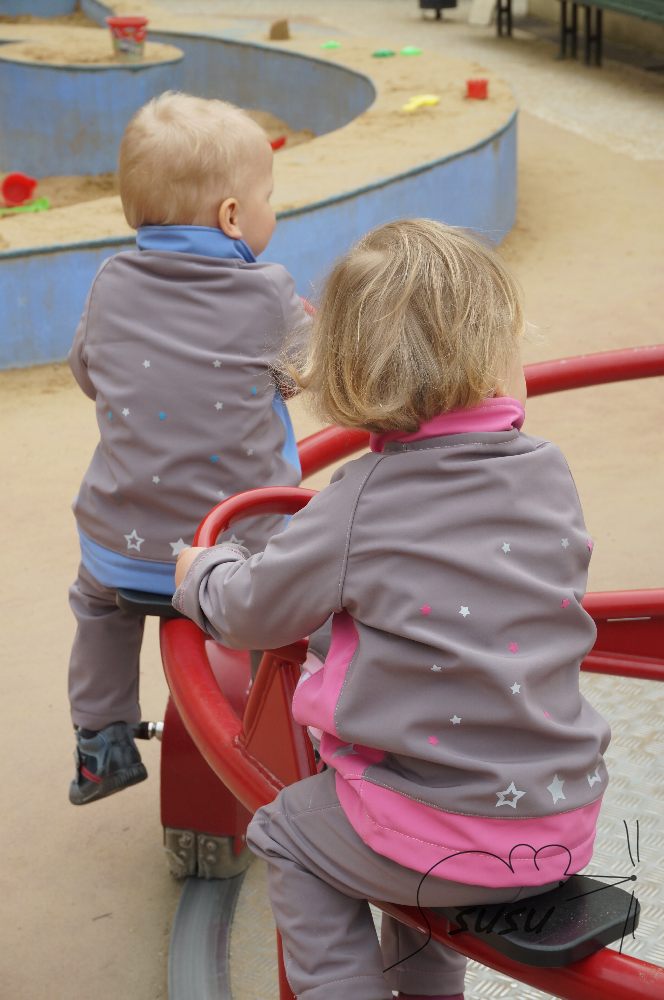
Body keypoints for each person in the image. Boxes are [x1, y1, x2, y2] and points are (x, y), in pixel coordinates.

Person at [173, 219, 610, 1000]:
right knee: (412, 817)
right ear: (491, 359)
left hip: (444, 830)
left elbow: (249, 612)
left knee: (292, 832)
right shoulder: (549, 470)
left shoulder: (359, 500)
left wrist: (201, 572)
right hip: (560, 818)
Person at [67, 91, 310, 806]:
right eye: (268, 198)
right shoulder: (269, 292)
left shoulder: (111, 281)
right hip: (236, 551)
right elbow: (301, 373)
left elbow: (88, 373)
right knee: (297, 602)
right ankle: (300, 730)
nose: (271, 211)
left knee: (96, 606)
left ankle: (101, 741)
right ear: (232, 216)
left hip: (124, 548)